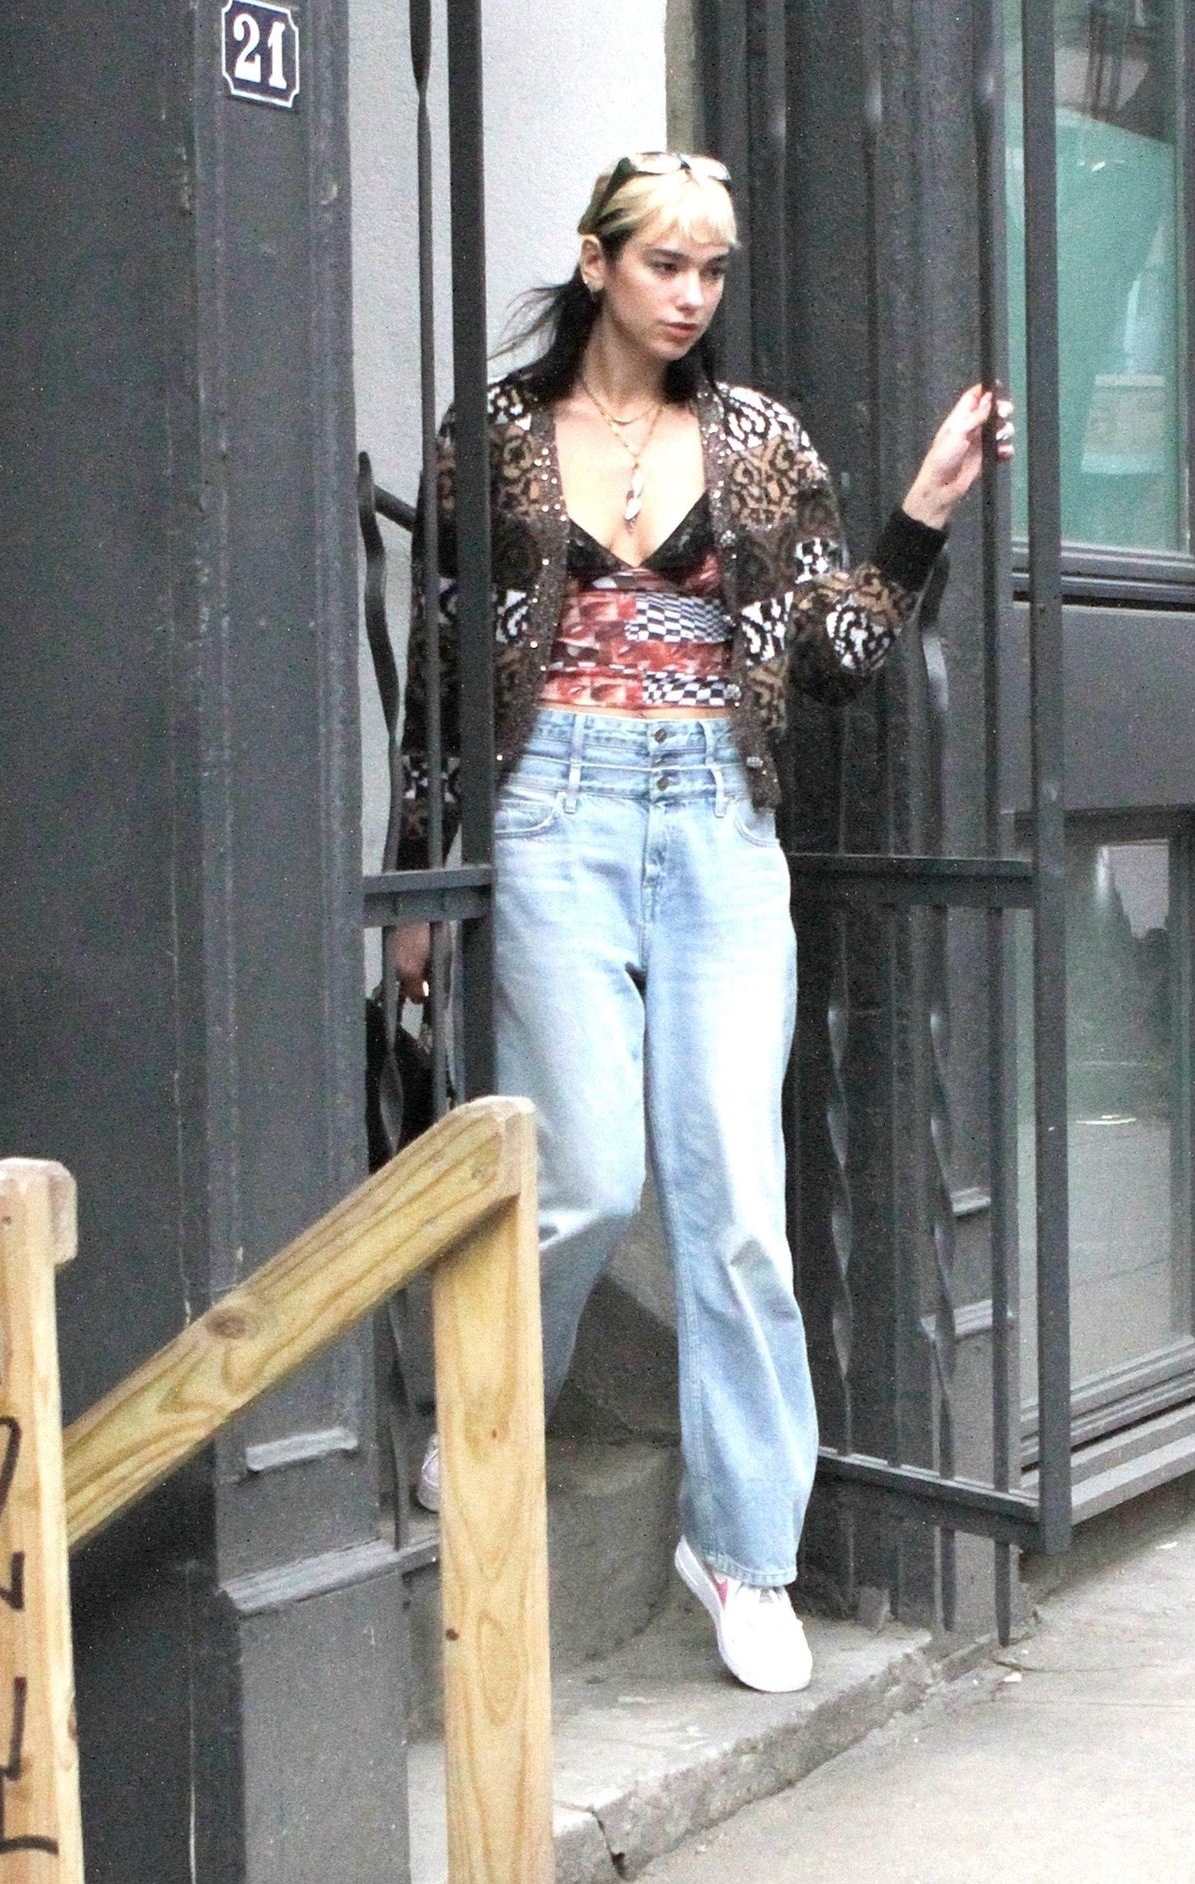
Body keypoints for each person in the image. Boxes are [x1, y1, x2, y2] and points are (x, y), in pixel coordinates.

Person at [395, 151, 1015, 1694]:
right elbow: (443, 669)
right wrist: (414, 875)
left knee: (735, 1204)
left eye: (712, 268)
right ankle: (485, 1429)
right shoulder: (493, 436)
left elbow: (842, 661)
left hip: (719, 823)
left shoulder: (756, 440)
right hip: (553, 808)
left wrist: (925, 510)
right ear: (596, 262)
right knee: (583, 1175)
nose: (691, 294)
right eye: (665, 263)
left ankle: (743, 1554)